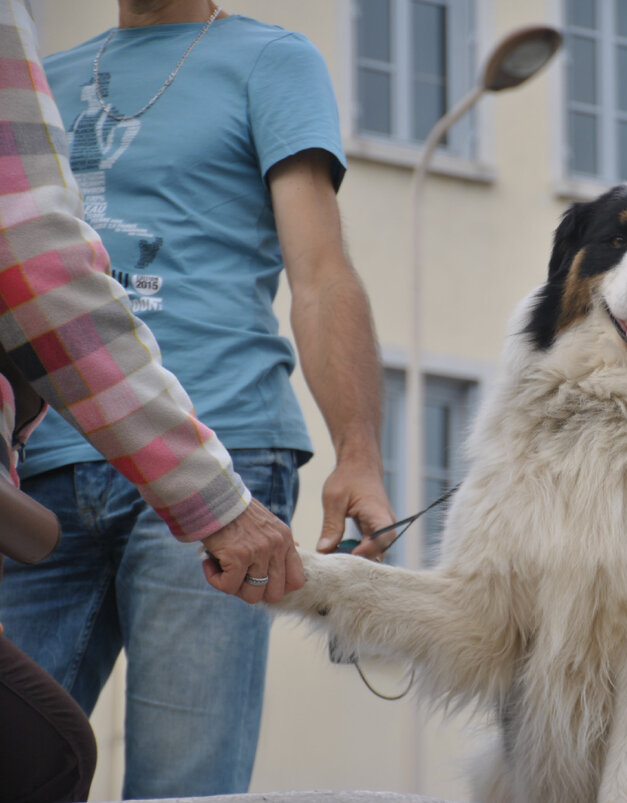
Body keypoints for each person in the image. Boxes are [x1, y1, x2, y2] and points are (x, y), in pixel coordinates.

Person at [0, 0, 395, 798]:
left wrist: (359, 450)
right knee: (17, 757)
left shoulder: (273, 61)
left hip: (226, 457)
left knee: (185, 793)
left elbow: (320, 272)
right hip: (43, 471)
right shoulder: (42, 71)